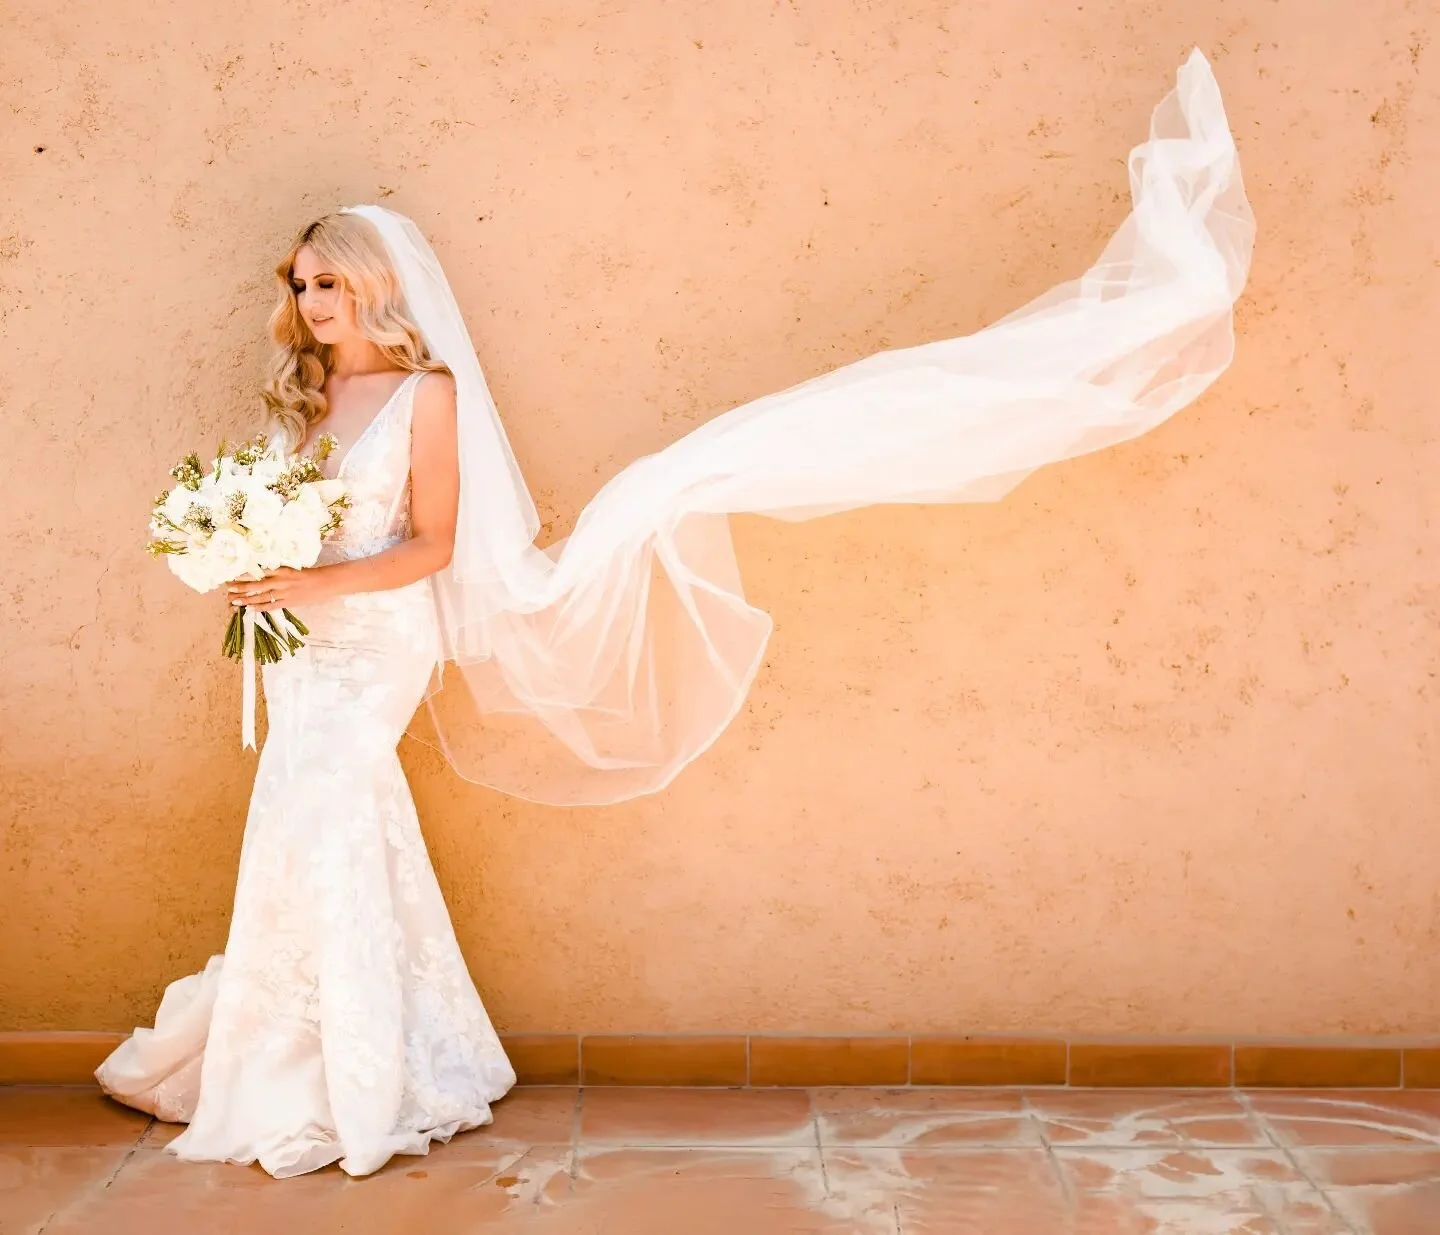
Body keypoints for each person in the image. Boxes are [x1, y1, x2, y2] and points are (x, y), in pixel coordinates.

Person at [97, 50, 1253, 1179]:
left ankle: (351, 1073)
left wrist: (305, 581)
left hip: (378, 642)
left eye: (328, 282)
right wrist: (246, 557)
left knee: (333, 811)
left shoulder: (426, 393)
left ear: (374, 286)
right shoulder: (308, 395)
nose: (309, 302)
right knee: (306, 831)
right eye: (298, 284)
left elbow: (433, 547)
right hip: (306, 648)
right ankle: (329, 1045)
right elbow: (298, 519)